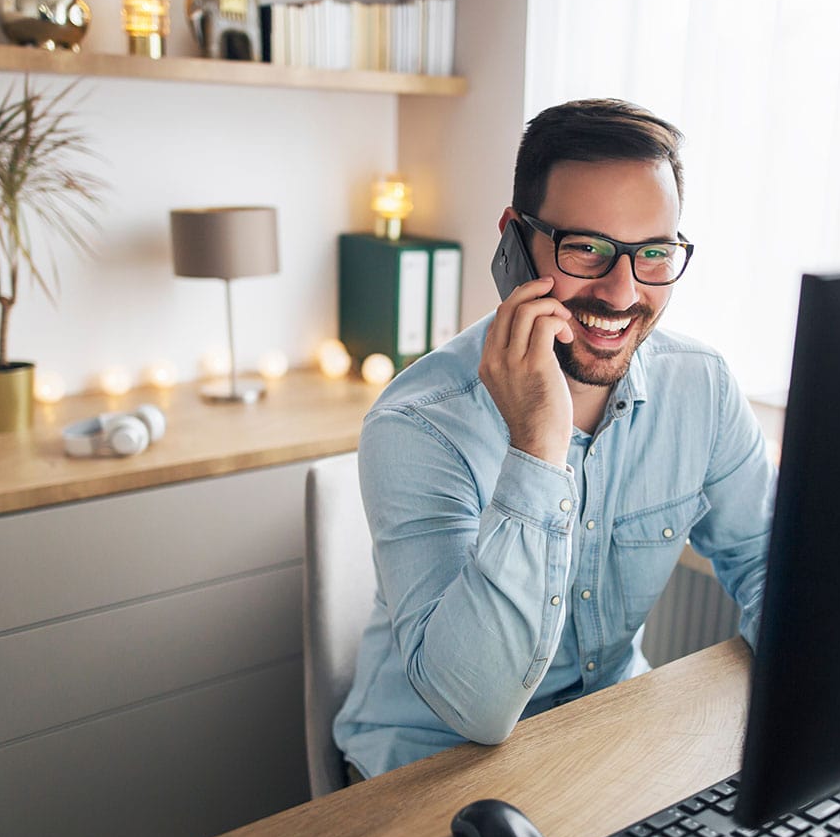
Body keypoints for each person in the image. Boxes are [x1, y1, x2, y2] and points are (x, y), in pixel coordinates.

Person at [333, 98, 777, 780]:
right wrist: (538, 442)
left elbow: (768, 562)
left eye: (653, 253)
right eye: (587, 249)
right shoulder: (418, 422)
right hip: (428, 763)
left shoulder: (704, 388)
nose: (623, 292)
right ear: (514, 240)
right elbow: (475, 711)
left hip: (606, 734)